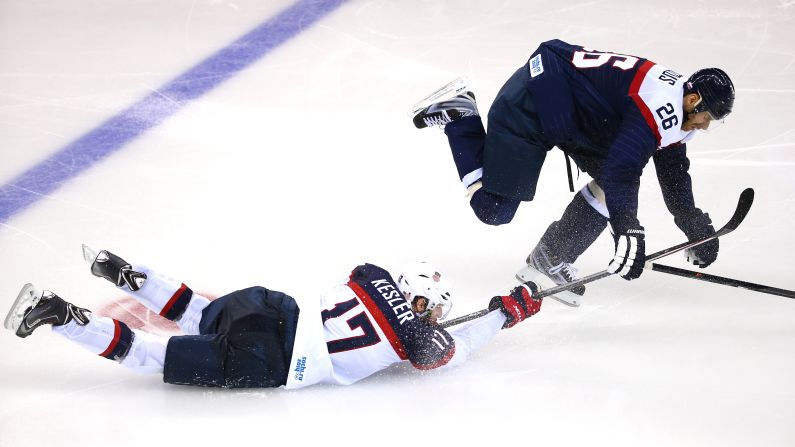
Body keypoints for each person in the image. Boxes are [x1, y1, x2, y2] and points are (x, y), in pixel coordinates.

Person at [412, 39, 735, 297]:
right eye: (707, 117)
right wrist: (629, 229)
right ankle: (460, 115)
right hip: (533, 102)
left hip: (569, 111)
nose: (705, 127)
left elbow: (672, 168)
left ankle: (551, 257)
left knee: (614, 185)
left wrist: (691, 223)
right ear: (693, 100)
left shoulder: (679, 103)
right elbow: (624, 170)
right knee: (494, 210)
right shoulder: (658, 102)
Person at [4, 246, 542, 389]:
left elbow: (374, 289)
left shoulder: (372, 273)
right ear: (423, 302)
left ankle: (126, 272)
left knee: (196, 309)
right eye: (436, 308)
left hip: (274, 307)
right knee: (149, 354)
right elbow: (451, 351)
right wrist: (506, 312)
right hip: (278, 360)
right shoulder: (419, 337)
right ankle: (58, 314)